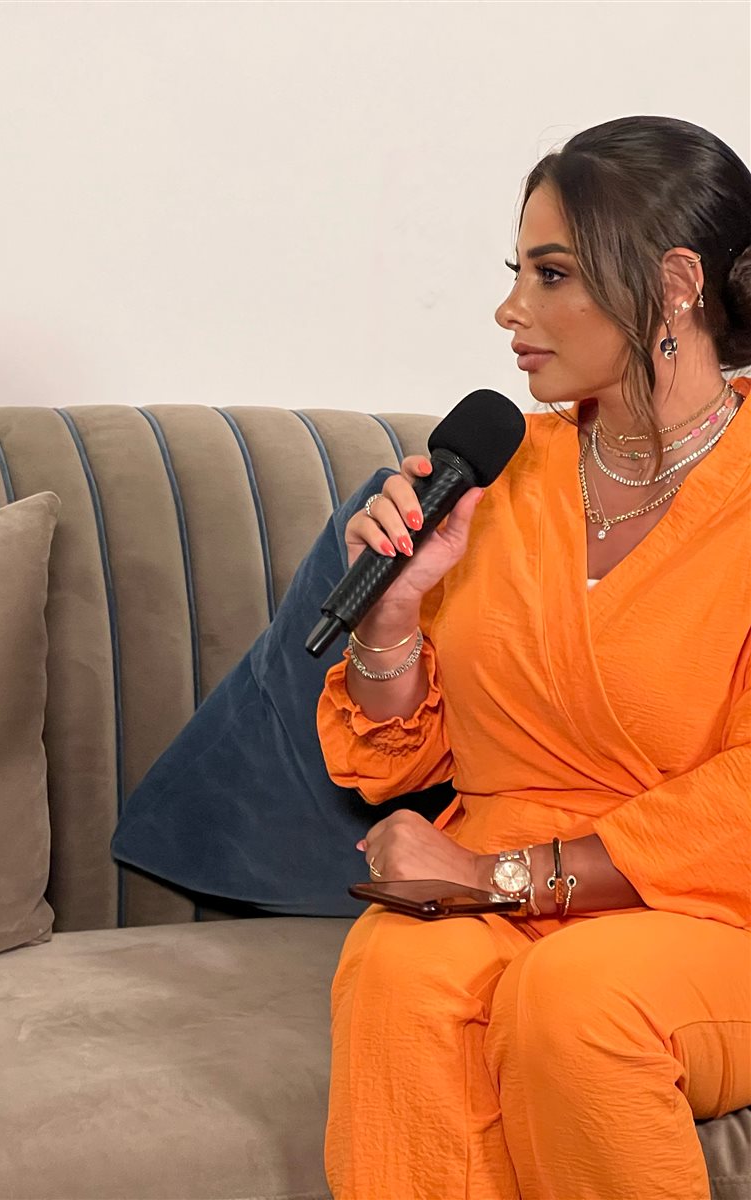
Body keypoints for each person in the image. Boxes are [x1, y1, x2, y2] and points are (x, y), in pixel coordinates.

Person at [317, 115, 751, 1200]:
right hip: (508, 876)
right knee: (398, 967)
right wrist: (390, 618)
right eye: (515, 273)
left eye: (551, 274)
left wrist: (492, 878)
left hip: (712, 905)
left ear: (675, 285)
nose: (510, 311)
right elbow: (392, 762)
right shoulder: (501, 475)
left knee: (576, 1001)